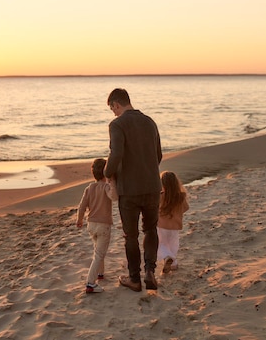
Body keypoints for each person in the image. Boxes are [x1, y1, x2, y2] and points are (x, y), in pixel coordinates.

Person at [104, 88, 162, 292]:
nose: (113, 113)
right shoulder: (149, 122)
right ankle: (151, 272)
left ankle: (135, 279)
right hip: (153, 186)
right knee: (150, 229)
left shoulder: (117, 124)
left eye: (112, 109)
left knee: (131, 235)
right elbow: (158, 155)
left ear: (116, 105)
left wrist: (107, 172)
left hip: (129, 189)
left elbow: (116, 153)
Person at [76, 158, 118, 294]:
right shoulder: (106, 187)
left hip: (91, 224)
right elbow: (114, 197)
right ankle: (90, 283)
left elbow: (81, 207)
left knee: (98, 250)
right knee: (99, 254)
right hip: (103, 225)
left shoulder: (89, 188)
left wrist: (79, 220)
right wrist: (112, 181)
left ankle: (100, 273)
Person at [157, 171, 189, 274]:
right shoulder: (181, 196)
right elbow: (185, 208)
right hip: (175, 226)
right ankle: (173, 264)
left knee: (161, 244)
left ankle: (167, 257)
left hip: (162, 225)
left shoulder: (160, 196)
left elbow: (154, 208)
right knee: (173, 245)